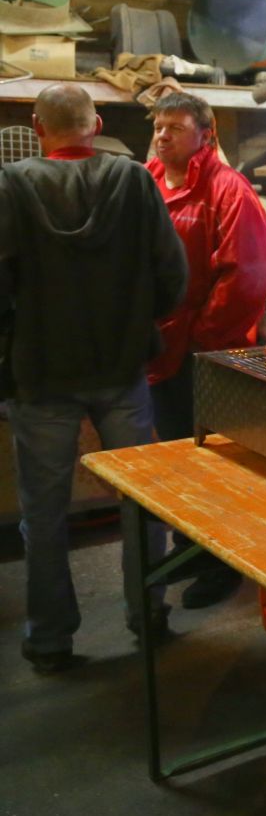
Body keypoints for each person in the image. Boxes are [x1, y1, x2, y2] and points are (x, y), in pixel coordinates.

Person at [0, 83, 188, 673]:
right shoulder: (135, 180)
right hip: (120, 367)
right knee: (141, 499)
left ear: (37, 126)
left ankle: (51, 640)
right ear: (97, 123)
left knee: (45, 514)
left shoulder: (11, 185)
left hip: (41, 374)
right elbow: (171, 273)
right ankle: (148, 614)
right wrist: (137, 324)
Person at [146, 91, 266, 608]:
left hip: (205, 356)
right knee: (180, 465)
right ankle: (190, 549)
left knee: (215, 467)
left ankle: (222, 566)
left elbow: (244, 276)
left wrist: (201, 340)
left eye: (175, 127)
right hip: (158, 350)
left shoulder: (227, 191)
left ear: (206, 136)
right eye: (158, 126)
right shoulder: (148, 180)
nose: (162, 135)